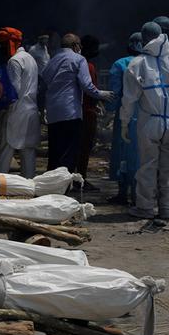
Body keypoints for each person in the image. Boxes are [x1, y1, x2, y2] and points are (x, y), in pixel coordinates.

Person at [119, 22, 169, 220]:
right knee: (168, 166)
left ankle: (146, 207)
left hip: (148, 121)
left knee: (148, 165)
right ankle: (168, 207)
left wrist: (124, 123)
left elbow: (129, 99)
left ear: (144, 39)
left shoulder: (137, 63)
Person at [39, 33, 113, 174]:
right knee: (68, 154)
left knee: (55, 152)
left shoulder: (53, 60)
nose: (81, 48)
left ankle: (50, 185)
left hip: (53, 113)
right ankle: (64, 187)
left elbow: (45, 81)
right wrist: (101, 94)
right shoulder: (79, 60)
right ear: (75, 46)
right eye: (79, 45)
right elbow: (86, 85)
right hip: (70, 112)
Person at [0, 27, 39, 178]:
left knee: (6, 147)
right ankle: (29, 184)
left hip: (17, 110)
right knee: (28, 151)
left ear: (9, 44)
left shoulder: (14, 61)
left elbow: (14, 90)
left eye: (3, 44)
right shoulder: (30, 58)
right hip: (31, 109)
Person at [108, 32, 143, 205]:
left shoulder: (120, 64)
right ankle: (139, 194)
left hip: (124, 113)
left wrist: (109, 110)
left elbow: (115, 92)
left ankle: (123, 192)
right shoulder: (150, 64)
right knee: (140, 154)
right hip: (145, 115)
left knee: (122, 153)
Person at [75, 35, 102, 190]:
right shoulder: (88, 65)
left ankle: (77, 178)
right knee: (85, 146)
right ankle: (81, 179)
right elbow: (90, 89)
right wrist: (100, 97)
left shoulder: (78, 63)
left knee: (80, 145)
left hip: (81, 109)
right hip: (87, 110)